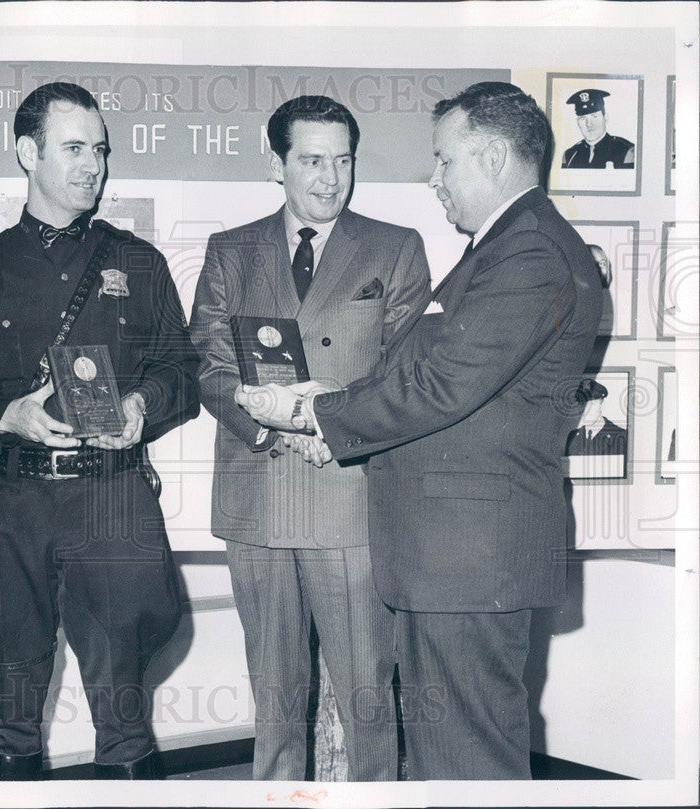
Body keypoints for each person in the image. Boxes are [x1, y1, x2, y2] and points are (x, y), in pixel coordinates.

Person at [236, 82, 602, 780]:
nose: (434, 179)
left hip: (468, 563)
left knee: (471, 763)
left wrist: (315, 413)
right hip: (452, 562)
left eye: (444, 160)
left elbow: (441, 386)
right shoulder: (504, 249)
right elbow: (424, 370)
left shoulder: (529, 255)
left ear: (492, 156)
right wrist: (334, 396)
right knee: (451, 757)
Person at [0, 82, 200, 781]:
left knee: (124, 711)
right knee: (11, 704)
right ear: (28, 152)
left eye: (99, 149)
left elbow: (181, 371)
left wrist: (142, 407)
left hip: (112, 500)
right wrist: (4, 418)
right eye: (74, 148)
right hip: (13, 505)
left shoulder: (139, 262)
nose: (92, 164)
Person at [190, 95, 430, 781]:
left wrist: (329, 426)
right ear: (278, 163)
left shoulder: (396, 247)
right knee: (274, 700)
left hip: (348, 498)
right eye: (312, 160)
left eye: (343, 161)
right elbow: (209, 364)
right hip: (257, 500)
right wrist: (272, 430)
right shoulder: (229, 251)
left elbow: (405, 371)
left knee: (367, 698)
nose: (330, 178)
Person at [561, 88, 635, 168]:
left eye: (594, 116)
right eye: (583, 118)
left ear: (605, 118)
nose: (588, 124)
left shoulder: (625, 150)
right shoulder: (570, 155)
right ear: (578, 122)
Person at [565, 379, 627, 456]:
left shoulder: (620, 437)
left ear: (602, 405)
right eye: (582, 404)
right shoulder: (572, 437)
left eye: (592, 404)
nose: (586, 410)